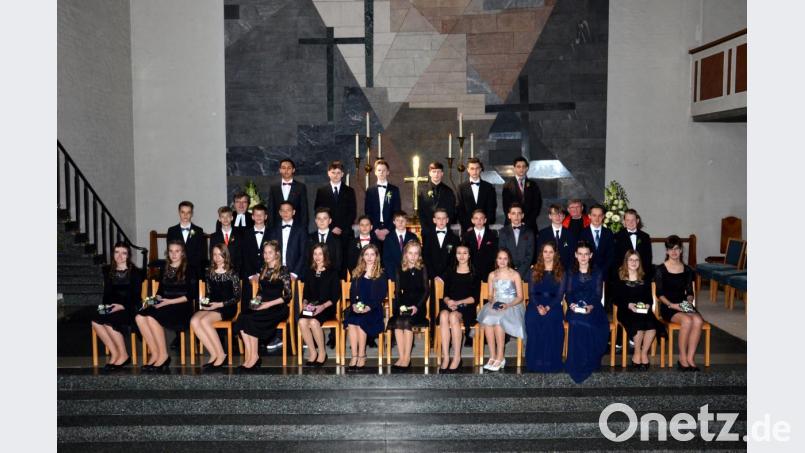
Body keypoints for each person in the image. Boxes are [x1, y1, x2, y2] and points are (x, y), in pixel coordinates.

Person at [136, 240, 195, 372]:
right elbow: (161, 292)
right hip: (165, 304)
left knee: (152, 317)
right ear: (167, 253)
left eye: (177, 251)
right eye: (171, 251)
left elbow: (191, 295)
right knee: (139, 317)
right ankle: (155, 353)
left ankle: (163, 355)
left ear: (183, 253)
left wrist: (168, 302)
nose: (174, 254)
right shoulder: (165, 268)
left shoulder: (190, 269)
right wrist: (155, 299)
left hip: (181, 307)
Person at [234, 241, 292, 370]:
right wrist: (257, 300)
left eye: (270, 252)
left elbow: (288, 296)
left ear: (277, 254)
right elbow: (261, 291)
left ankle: (253, 358)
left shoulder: (283, 270)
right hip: (263, 305)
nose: (266, 255)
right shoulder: (263, 269)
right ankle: (251, 356)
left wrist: (267, 305)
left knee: (250, 319)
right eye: (265, 252)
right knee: (243, 317)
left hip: (277, 307)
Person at [655, 235, 705, 371]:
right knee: (688, 321)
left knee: (698, 321)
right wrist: (672, 305)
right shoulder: (660, 269)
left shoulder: (688, 269)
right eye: (670, 249)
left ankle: (690, 358)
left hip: (683, 303)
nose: (674, 252)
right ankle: (682, 358)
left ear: (681, 250)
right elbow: (659, 294)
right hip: (668, 306)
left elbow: (689, 291)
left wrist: (689, 300)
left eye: (676, 248)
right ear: (666, 251)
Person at [91, 242, 143, 369]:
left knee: (109, 321)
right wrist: (105, 307)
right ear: (113, 254)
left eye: (123, 253)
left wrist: (122, 306)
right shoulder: (109, 271)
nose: (120, 256)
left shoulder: (135, 272)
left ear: (128, 255)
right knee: (95, 320)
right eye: (117, 252)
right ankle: (115, 354)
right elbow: (107, 295)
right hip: (112, 307)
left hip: (129, 308)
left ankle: (124, 355)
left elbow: (136, 298)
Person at [564, 240, 609, 383]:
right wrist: (571, 304)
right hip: (574, 308)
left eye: (586, 254)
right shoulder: (570, 271)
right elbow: (569, 293)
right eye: (580, 254)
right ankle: (577, 361)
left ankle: (588, 359)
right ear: (576, 255)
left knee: (588, 323)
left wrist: (590, 306)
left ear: (591, 255)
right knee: (577, 321)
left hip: (593, 307)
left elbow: (597, 295)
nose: (583, 257)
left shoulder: (597, 272)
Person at [190, 243, 241, 369]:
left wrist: (219, 304)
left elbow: (236, 297)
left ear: (225, 255)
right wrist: (206, 303)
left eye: (220, 254)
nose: (217, 257)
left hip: (227, 306)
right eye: (214, 254)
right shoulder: (209, 272)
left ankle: (221, 354)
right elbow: (208, 294)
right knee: (194, 320)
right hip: (213, 306)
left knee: (205, 321)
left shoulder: (232, 272)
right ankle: (213, 354)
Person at [614, 250, 664, 370]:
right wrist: (629, 305)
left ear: (639, 262)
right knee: (638, 324)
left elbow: (649, 299)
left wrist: (647, 305)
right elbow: (615, 298)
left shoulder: (644, 278)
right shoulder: (619, 277)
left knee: (652, 325)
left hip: (642, 310)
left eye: (636, 260)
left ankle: (644, 353)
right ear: (626, 261)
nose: (634, 262)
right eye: (631, 259)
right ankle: (637, 353)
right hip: (625, 310)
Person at [477, 249, 526, 372]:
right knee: (488, 322)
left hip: (512, 305)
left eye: (505, 258)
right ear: (496, 260)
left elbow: (520, 297)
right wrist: (493, 301)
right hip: (497, 303)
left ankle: (500, 357)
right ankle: (492, 356)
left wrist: (508, 305)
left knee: (498, 323)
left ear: (508, 260)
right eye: (500, 258)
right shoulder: (492, 275)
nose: (502, 261)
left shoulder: (515, 274)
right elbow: (490, 295)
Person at [344, 244, 388, 371]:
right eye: (366, 254)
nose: (369, 257)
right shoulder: (357, 273)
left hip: (373, 309)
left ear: (376, 257)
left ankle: (362, 355)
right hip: (358, 307)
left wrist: (368, 307)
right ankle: (354, 355)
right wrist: (353, 305)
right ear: (362, 256)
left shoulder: (381, 274)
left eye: (372, 254)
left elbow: (380, 296)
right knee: (352, 321)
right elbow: (352, 293)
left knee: (361, 321)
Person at [387, 241, 429, 369]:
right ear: (405, 254)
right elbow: (398, 291)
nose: (413, 256)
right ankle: (401, 356)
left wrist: (417, 306)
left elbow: (426, 291)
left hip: (418, 306)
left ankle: (407, 358)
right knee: (399, 321)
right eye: (410, 253)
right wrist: (399, 306)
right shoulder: (400, 268)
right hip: (404, 304)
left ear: (419, 255)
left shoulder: (422, 268)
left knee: (407, 322)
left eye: (416, 253)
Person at [438, 244, 480, 373]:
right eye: (459, 253)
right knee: (444, 315)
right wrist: (449, 301)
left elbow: (474, 298)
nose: (461, 256)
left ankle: (457, 357)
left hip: (466, 306)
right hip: (450, 304)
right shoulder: (450, 271)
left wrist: (459, 302)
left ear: (469, 255)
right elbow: (445, 295)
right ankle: (446, 357)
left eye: (465, 253)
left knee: (453, 316)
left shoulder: (474, 272)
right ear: (455, 255)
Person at [525, 242, 566, 372]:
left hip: (553, 304)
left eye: (551, 252)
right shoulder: (534, 270)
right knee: (533, 319)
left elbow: (560, 296)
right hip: (535, 303)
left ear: (555, 254)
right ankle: (535, 361)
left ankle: (550, 360)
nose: (548, 255)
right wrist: (538, 306)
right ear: (541, 254)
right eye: (545, 251)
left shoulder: (561, 272)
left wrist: (547, 308)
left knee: (551, 321)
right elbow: (531, 293)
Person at [298, 243, 340, 366]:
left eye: (320, 254)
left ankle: (322, 353)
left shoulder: (332, 272)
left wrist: (322, 307)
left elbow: (335, 296)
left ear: (325, 255)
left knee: (313, 322)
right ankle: (312, 353)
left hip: (327, 306)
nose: (317, 257)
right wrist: (305, 303)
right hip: (311, 306)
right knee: (301, 321)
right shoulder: (309, 271)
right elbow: (306, 293)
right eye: (315, 254)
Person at [313, 160, 356, 276]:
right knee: (327, 259)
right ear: (328, 173)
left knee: (342, 262)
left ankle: (341, 291)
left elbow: (352, 213)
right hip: (328, 231)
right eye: (333, 172)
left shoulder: (349, 191)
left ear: (342, 174)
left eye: (338, 173)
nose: (335, 175)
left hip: (344, 232)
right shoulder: (322, 191)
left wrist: (340, 227)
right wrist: (331, 227)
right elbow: (318, 210)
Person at [166, 200, 206, 278]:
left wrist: (189, 267)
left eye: (188, 212)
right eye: (183, 212)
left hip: (194, 270)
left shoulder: (198, 231)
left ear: (192, 213)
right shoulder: (171, 231)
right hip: (176, 269)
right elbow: (170, 251)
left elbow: (201, 253)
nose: (185, 215)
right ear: (179, 212)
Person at [502, 157, 542, 233]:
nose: (521, 169)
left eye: (524, 167)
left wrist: (527, 223)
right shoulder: (507, 186)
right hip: (511, 225)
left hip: (530, 226)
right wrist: (516, 222)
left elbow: (537, 206)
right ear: (514, 168)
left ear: (527, 168)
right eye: (518, 166)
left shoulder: (533, 185)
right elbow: (506, 207)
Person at [269, 201, 307, 281]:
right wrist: (274, 270)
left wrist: (294, 273)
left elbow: (304, 253)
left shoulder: (301, 229)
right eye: (283, 210)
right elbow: (271, 252)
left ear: (293, 212)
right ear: (279, 212)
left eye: (288, 210)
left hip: (295, 273)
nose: (285, 213)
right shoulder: (274, 230)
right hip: (276, 272)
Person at [456, 158, 497, 232]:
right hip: (467, 230)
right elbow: (459, 209)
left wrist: (485, 225)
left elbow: (492, 208)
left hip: (485, 229)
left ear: (480, 169)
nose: (475, 171)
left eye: (477, 168)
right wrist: (467, 226)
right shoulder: (461, 188)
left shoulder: (489, 187)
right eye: (472, 168)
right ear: (468, 170)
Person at [364, 159, 400, 242]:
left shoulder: (394, 190)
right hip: (374, 229)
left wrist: (387, 229)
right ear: (375, 172)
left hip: (390, 229)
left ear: (388, 172)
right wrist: (376, 229)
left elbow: (396, 212)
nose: (381, 172)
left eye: (384, 170)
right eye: (379, 170)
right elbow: (368, 211)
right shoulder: (370, 190)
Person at [267, 158, 308, 229]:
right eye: (283, 168)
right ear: (280, 170)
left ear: (293, 170)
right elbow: (271, 209)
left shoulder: (301, 187)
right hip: (277, 227)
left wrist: (304, 228)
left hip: (296, 226)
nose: (286, 170)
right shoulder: (274, 187)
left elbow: (304, 209)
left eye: (289, 168)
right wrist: (270, 227)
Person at [613, 209, 654, 281]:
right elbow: (616, 258)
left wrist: (643, 274)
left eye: (633, 220)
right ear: (624, 222)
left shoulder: (645, 237)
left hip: (641, 275)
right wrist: (622, 274)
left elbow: (648, 258)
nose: (630, 222)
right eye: (628, 220)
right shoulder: (617, 237)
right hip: (623, 276)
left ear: (637, 221)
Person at [498, 203, 535, 282]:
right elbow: (502, 252)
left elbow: (529, 255)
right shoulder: (503, 232)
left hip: (525, 273)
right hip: (507, 272)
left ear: (522, 215)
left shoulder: (529, 232)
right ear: (509, 215)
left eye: (519, 213)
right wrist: (510, 271)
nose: (516, 216)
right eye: (513, 213)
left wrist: (519, 274)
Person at [422, 208, 461, 280]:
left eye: (444, 218)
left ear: (447, 220)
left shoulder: (454, 238)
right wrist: (434, 275)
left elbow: (454, 259)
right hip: (432, 277)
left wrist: (444, 275)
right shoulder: (427, 237)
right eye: (438, 218)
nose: (441, 221)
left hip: (449, 277)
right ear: (434, 220)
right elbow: (426, 257)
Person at [578, 204, 615, 277]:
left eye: (600, 215)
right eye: (594, 215)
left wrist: (603, 270)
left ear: (603, 216)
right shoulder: (582, 233)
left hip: (605, 273)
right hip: (586, 272)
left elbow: (611, 255)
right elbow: (580, 255)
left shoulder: (608, 233)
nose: (597, 218)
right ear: (589, 216)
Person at [417, 161, 456, 231]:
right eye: (434, 171)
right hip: (427, 230)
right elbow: (420, 211)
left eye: (438, 171)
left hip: (445, 228)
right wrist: (425, 228)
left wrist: (446, 226)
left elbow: (451, 211)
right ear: (429, 173)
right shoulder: (422, 191)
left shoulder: (448, 191)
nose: (436, 174)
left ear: (442, 174)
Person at [462, 209, 498, 281]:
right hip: (471, 271)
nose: (479, 221)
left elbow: (495, 253)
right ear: (472, 220)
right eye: (476, 218)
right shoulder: (466, 236)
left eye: (481, 218)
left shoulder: (492, 235)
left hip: (487, 271)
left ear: (485, 220)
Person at [537, 204, 575, 270]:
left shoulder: (570, 234)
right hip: (547, 269)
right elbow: (539, 253)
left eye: (560, 214)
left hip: (565, 270)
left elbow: (572, 255)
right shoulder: (542, 234)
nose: (557, 216)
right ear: (550, 216)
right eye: (554, 214)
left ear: (564, 216)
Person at [382, 210, 418, 279]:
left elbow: (417, 256)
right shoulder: (388, 238)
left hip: (410, 274)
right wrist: (394, 276)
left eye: (403, 220)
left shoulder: (413, 237)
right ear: (394, 222)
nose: (400, 223)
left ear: (407, 222)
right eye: (398, 220)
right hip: (394, 274)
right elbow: (387, 259)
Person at [240, 204, 271, 281]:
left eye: (261, 214)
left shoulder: (272, 234)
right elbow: (244, 255)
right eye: (256, 215)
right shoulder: (245, 234)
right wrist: (251, 275)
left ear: (266, 217)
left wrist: (262, 273)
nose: (259, 217)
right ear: (252, 217)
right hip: (249, 276)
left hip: (267, 275)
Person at [209, 206, 243, 276]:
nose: (225, 219)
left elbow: (241, 257)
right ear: (219, 219)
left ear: (232, 218)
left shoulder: (239, 236)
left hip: (235, 272)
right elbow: (212, 256)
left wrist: (236, 272)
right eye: (222, 217)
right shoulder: (214, 237)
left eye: (228, 216)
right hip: (218, 272)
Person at [308, 207, 342, 274]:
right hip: (313, 275)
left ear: (330, 221)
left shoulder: (337, 239)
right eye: (319, 218)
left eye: (325, 218)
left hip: (331, 276)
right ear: (315, 221)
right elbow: (307, 259)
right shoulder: (309, 238)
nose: (322, 221)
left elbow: (338, 262)